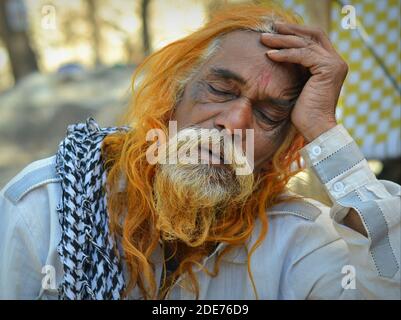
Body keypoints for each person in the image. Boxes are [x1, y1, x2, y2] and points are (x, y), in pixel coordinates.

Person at [0, 3, 399, 300]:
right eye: (221, 90)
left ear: (282, 146)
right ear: (173, 95)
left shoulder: (298, 243)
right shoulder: (44, 207)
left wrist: (325, 131)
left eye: (269, 114)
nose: (235, 123)